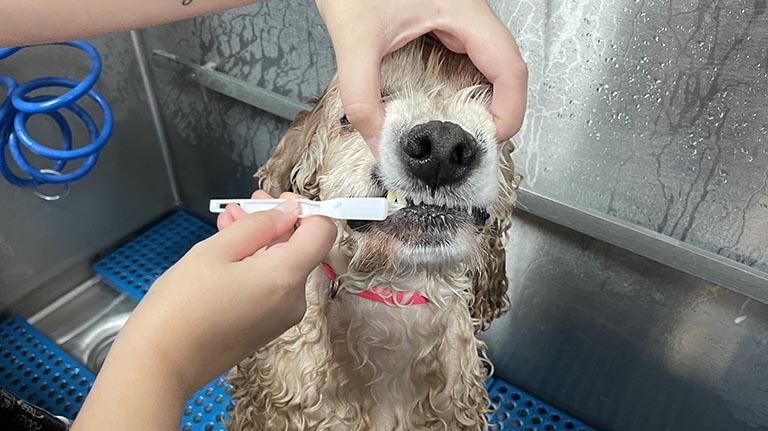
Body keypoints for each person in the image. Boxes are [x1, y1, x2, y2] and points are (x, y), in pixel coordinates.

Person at [2, 1, 528, 429]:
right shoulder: (282, 337)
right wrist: (161, 356)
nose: (442, 141)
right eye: (353, 119)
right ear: (305, 174)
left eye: (477, 108)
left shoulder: (462, 351)